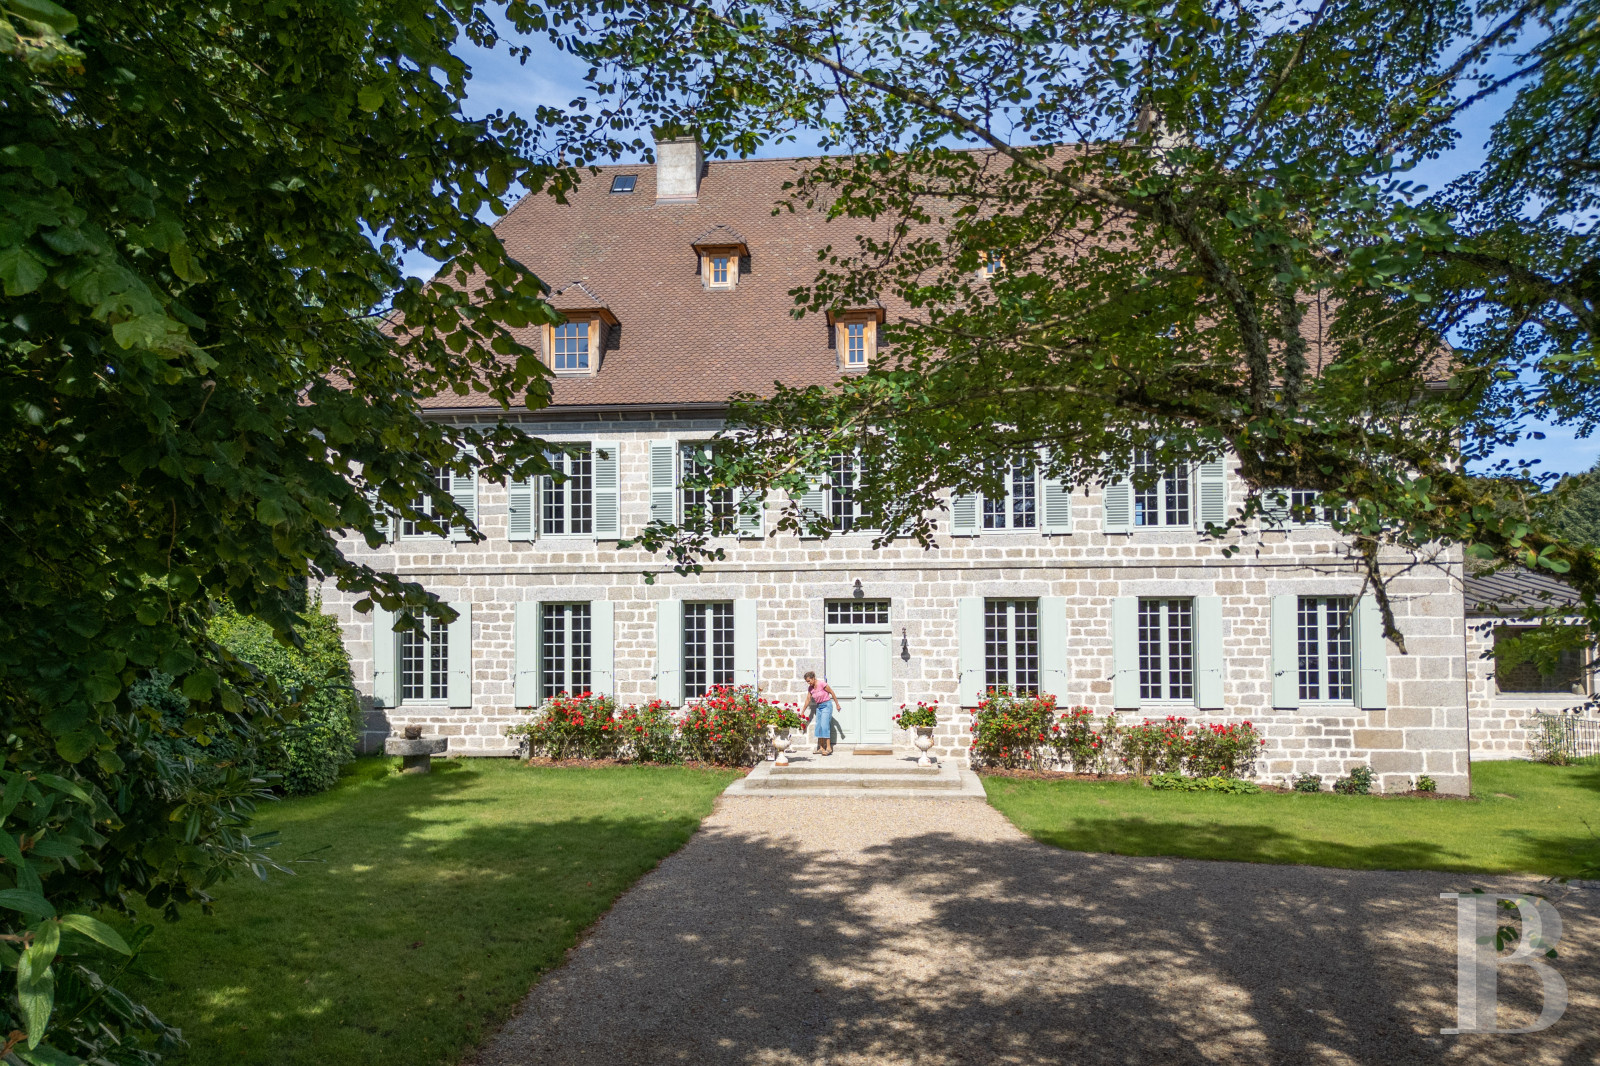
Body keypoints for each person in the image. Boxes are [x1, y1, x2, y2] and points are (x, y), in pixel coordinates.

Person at [802, 670, 839, 756]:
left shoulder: (822, 684)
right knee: (819, 726)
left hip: (827, 705)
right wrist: (803, 711)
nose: (808, 683)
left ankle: (829, 748)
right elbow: (808, 699)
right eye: (807, 681)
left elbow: (832, 692)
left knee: (824, 725)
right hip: (819, 707)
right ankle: (821, 748)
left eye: (809, 681)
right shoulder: (810, 688)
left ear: (813, 678)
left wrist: (837, 704)